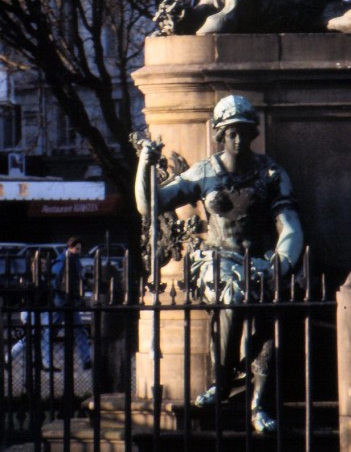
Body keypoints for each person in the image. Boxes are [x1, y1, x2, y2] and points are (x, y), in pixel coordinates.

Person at [134, 94, 303, 433]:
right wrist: (144, 164)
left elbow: (290, 226)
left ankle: (259, 403)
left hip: (258, 259)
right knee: (234, 295)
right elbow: (150, 205)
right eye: (231, 133)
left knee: (270, 306)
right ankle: (223, 382)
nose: (237, 140)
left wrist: (281, 264)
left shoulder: (271, 174)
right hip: (216, 259)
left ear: (253, 133)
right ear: (220, 135)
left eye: (243, 132)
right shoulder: (205, 171)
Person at [42, 237, 92, 372]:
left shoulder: (73, 260)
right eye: (76, 248)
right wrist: (60, 293)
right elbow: (54, 280)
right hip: (61, 301)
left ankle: (86, 359)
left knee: (77, 329)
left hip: (68, 301)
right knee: (51, 330)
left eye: (80, 249)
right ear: (70, 247)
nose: (78, 251)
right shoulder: (63, 261)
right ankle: (46, 361)